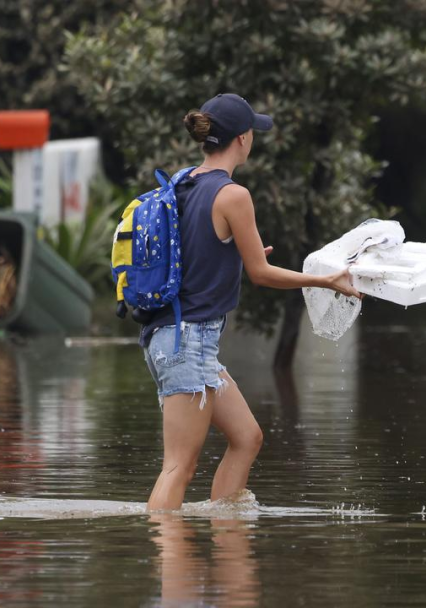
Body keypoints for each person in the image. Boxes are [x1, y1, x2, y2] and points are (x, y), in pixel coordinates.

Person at [141, 93, 361, 511]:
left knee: (247, 437)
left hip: (178, 337)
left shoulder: (183, 181)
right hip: (186, 341)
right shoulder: (232, 195)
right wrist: (326, 280)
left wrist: (239, 256)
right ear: (242, 139)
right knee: (179, 466)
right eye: (252, 134)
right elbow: (262, 274)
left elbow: (197, 255)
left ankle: (227, 538)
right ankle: (170, 571)